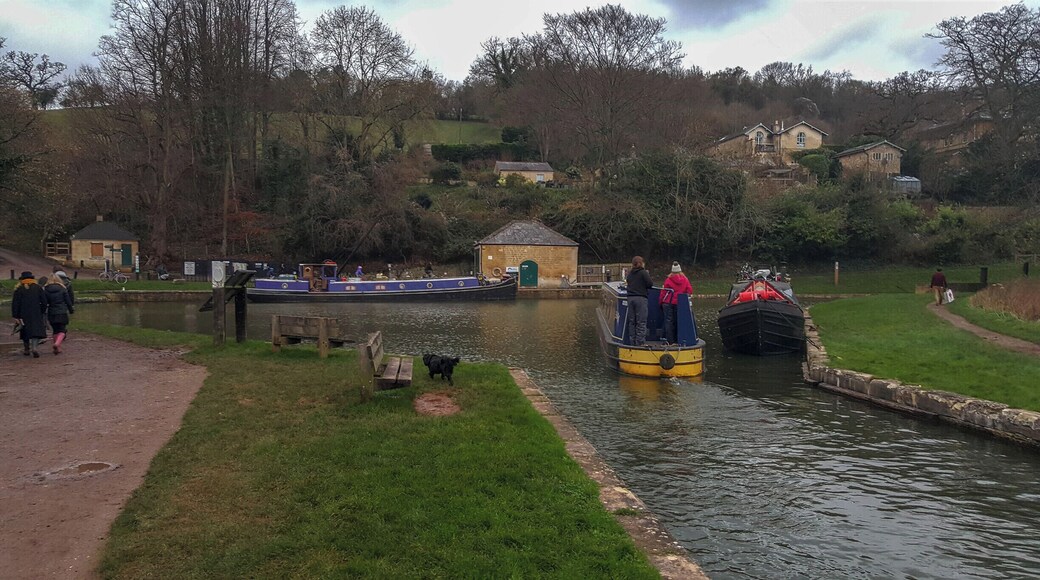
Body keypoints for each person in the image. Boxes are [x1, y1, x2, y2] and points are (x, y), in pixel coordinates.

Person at [11, 271, 47, 358]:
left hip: (23, 313)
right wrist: (42, 311)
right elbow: (44, 302)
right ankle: (34, 348)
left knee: (25, 330)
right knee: (36, 330)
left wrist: (16, 316)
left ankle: (26, 349)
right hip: (36, 312)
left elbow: (15, 304)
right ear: (32, 279)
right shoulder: (38, 288)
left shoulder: (19, 289)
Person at [660, 261, 693, 344]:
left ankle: (670, 341)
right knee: (679, 321)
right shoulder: (685, 279)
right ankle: (679, 339)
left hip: (668, 302)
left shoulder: (668, 280)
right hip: (680, 303)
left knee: (668, 322)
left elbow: (663, 293)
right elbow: (689, 290)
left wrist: (660, 302)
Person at [40, 276, 74, 354]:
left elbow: (44, 302)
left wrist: (43, 311)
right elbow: (68, 301)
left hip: (51, 312)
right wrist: (71, 310)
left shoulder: (46, 290)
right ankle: (57, 344)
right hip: (62, 311)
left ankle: (57, 348)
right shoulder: (63, 289)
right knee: (62, 330)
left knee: (55, 330)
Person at [625, 256, 653, 346]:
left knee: (632, 321)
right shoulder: (643, 273)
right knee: (641, 321)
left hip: (630, 299)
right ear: (641, 263)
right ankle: (640, 343)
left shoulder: (630, 274)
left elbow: (628, 282)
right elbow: (650, 284)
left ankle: (632, 341)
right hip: (640, 298)